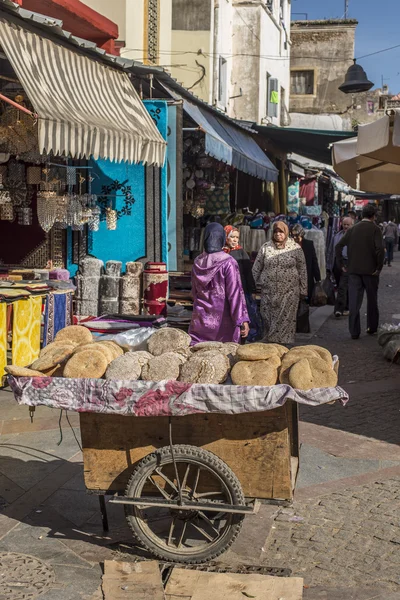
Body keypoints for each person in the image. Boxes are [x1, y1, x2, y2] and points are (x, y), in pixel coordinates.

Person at [189, 222, 250, 344]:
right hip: (223, 323)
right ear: (222, 238)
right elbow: (235, 294)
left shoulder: (197, 261)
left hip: (200, 321)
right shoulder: (228, 262)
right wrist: (241, 320)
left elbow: (194, 292)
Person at [252, 221, 307, 345]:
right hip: (268, 291)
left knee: (285, 320)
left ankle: (282, 346)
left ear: (286, 233)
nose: (278, 234)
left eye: (281, 232)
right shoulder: (266, 247)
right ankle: (270, 345)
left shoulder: (295, 248)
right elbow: (256, 268)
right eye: (276, 232)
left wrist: (304, 289)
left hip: (289, 291)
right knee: (267, 316)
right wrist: (252, 286)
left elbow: (302, 269)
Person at [335, 204, 384, 340]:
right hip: (371, 271)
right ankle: (371, 327)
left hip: (354, 270)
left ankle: (354, 331)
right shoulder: (375, 229)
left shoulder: (353, 229)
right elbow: (380, 250)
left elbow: (338, 245)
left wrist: (342, 265)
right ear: (373, 216)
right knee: (372, 300)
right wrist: (379, 267)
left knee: (354, 302)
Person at [223, 225, 262, 341]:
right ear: (226, 237)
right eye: (232, 237)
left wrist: (252, 290)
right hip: (226, 290)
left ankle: (248, 337)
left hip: (242, 289)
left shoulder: (241, 252)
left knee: (245, 314)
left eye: (237, 237)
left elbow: (248, 273)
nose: (235, 240)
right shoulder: (221, 252)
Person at [290, 224, 321, 301]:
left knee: (305, 302)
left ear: (301, 234)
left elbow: (314, 261)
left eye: (296, 236)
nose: (294, 238)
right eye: (292, 236)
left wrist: (318, 279)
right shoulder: (289, 245)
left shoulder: (309, 244)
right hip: (293, 277)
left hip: (306, 277)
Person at [332, 216, 354, 317]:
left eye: (347, 225)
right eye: (344, 224)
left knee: (342, 286)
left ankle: (339, 309)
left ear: (352, 225)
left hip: (348, 262)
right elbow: (331, 250)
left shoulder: (355, 236)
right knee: (343, 286)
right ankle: (347, 306)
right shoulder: (337, 235)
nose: (345, 226)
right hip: (337, 262)